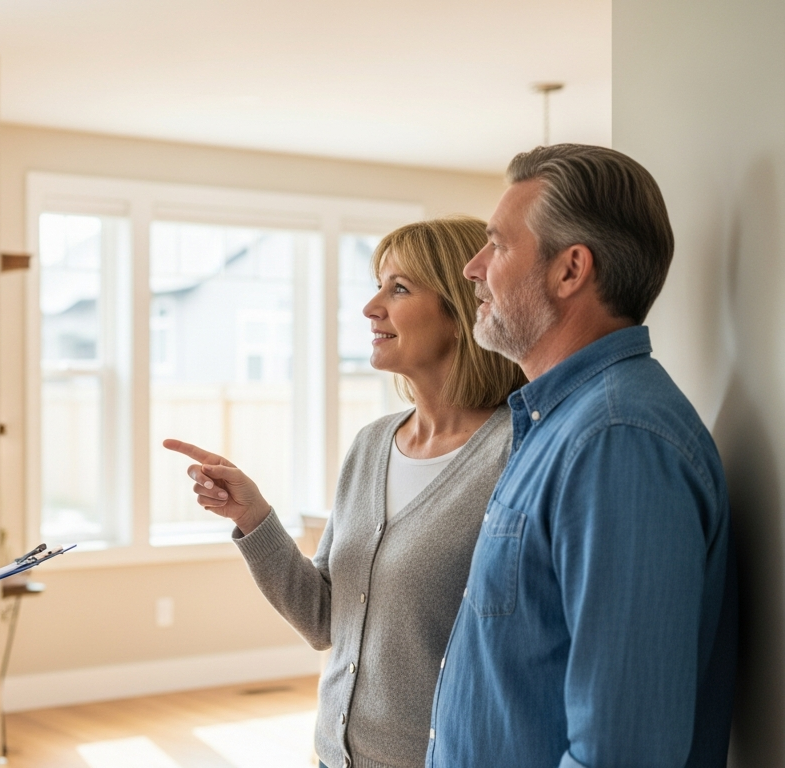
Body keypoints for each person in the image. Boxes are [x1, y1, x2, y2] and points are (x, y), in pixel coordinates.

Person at [166, 216, 525, 768]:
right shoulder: (371, 443)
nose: (370, 306)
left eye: (398, 288)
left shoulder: (518, 451)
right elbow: (323, 619)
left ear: (460, 311)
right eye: (378, 284)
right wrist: (255, 517)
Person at [426, 144, 737, 767]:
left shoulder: (619, 440)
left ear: (570, 271)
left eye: (498, 245)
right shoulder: (560, 422)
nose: (472, 268)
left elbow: (623, 751)